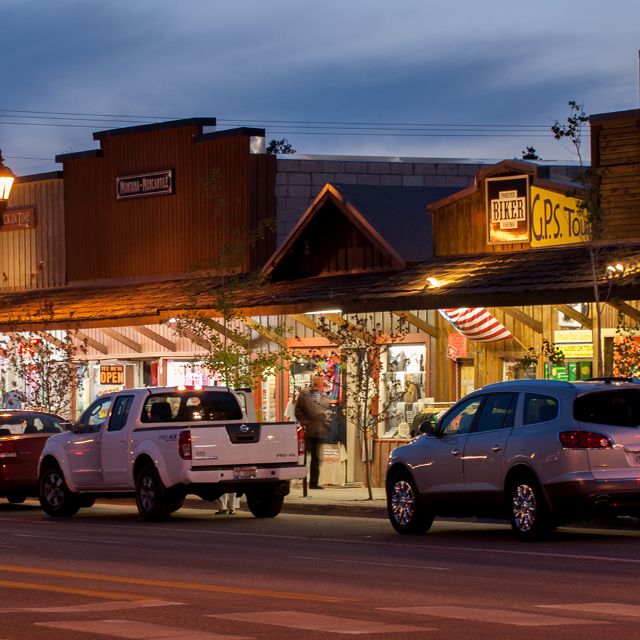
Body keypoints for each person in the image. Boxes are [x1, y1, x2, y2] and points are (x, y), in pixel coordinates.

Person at [294, 374, 331, 489]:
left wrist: (326, 422)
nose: (320, 384)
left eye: (321, 381)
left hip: (319, 430)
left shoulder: (323, 396)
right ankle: (304, 481)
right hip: (309, 430)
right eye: (319, 382)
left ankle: (313, 483)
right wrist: (305, 422)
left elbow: (327, 411)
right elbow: (303, 410)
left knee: (316, 457)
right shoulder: (306, 393)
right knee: (306, 456)